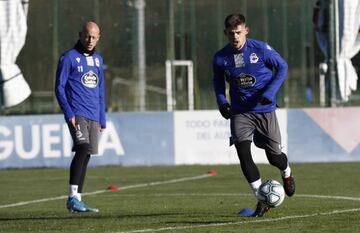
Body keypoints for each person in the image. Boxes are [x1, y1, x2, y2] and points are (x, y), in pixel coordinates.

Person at [212, 13, 295, 217]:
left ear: (246, 30)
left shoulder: (260, 49)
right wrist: (222, 102)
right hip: (240, 112)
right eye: (231, 33)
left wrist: (270, 92)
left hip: (264, 110)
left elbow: (282, 67)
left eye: (239, 32)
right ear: (225, 33)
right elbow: (217, 81)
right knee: (243, 153)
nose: (235, 37)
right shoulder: (221, 57)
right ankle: (261, 199)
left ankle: (286, 173)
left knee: (274, 156)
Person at [55, 21, 106, 213]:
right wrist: (68, 112)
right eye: (86, 36)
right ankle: (72, 197)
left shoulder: (98, 60)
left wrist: (102, 117)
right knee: (82, 148)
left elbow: (101, 89)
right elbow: (59, 87)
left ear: (98, 37)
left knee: (86, 155)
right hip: (77, 113)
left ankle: (77, 199)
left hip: (94, 114)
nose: (90, 40)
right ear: (80, 34)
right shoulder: (68, 57)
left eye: (93, 37)